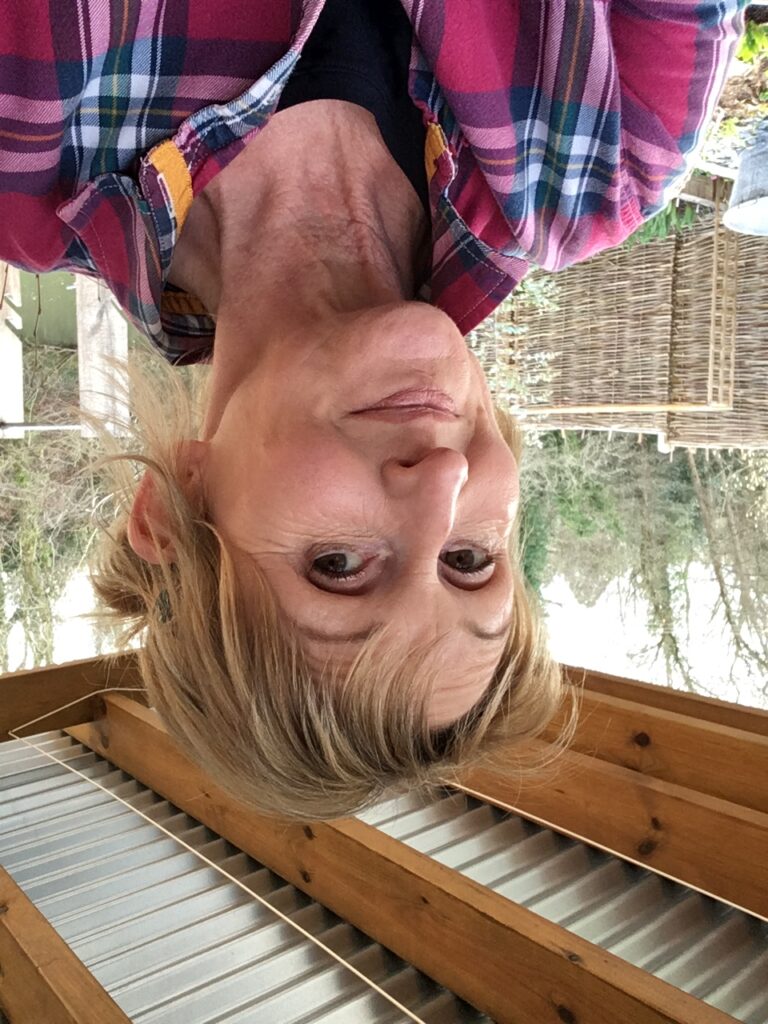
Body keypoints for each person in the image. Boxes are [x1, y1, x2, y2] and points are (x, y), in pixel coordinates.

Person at [0, 0, 745, 819]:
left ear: (172, 515)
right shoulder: (601, 162)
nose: (444, 480)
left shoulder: (21, 160)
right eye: (471, 559)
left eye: (339, 566)